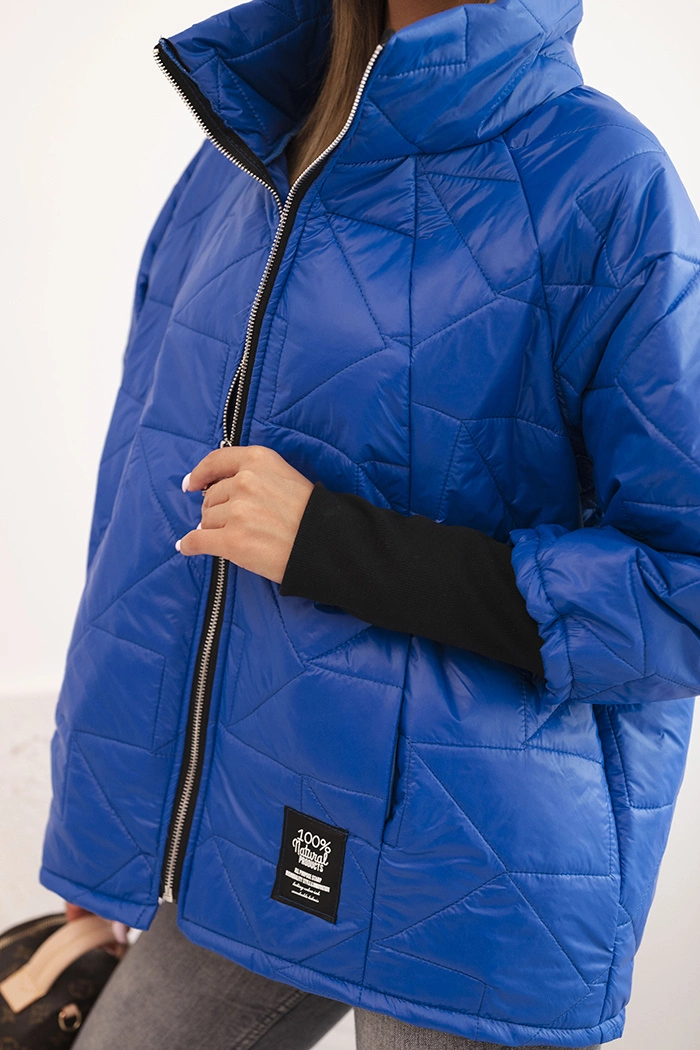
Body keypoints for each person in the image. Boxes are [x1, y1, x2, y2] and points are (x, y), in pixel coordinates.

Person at [39, 0, 700, 1046]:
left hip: (472, 871)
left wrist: (333, 547)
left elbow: (683, 591)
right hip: (246, 825)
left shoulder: (605, 179)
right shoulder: (246, 143)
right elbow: (141, 505)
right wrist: (109, 835)